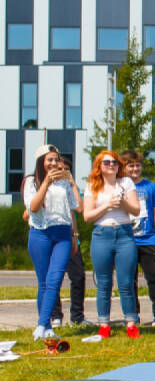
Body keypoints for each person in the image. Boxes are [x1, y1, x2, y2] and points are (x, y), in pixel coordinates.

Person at [82, 149, 142, 339]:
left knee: (126, 282)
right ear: (99, 166)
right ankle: (104, 324)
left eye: (115, 162)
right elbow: (87, 216)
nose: (111, 165)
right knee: (104, 283)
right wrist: (107, 205)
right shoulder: (92, 185)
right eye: (107, 162)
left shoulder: (126, 182)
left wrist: (123, 202)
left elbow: (136, 210)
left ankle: (131, 323)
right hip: (102, 234)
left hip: (124, 234)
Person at [23, 145, 79, 340]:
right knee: (44, 282)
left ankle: (41, 324)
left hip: (62, 233)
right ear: (41, 162)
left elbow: (74, 207)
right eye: (50, 160)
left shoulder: (64, 182)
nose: (54, 163)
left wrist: (74, 235)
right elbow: (33, 207)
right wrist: (46, 182)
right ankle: (46, 326)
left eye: (56, 159)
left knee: (55, 279)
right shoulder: (31, 182)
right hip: (40, 234)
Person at [120, 150, 155, 327]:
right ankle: (132, 315)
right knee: (129, 280)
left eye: (137, 165)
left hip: (148, 239)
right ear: (124, 167)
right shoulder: (119, 186)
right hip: (127, 240)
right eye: (131, 166)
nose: (135, 169)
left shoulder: (150, 187)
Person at [37, 155, 87, 327]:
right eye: (59, 169)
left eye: (66, 169)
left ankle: (77, 316)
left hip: (69, 236)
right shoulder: (47, 186)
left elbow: (79, 208)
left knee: (78, 276)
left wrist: (72, 183)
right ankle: (55, 315)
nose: (62, 172)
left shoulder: (68, 186)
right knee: (53, 278)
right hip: (50, 235)